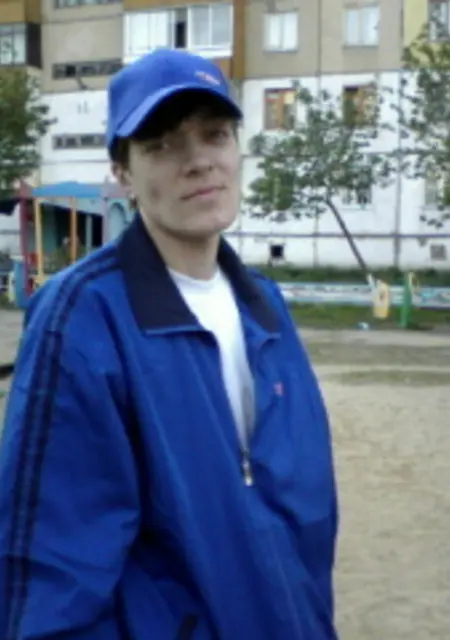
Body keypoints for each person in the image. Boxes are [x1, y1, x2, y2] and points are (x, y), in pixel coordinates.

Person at [0, 49, 339, 639]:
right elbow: (54, 571)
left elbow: (302, 517)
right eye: (162, 145)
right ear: (124, 174)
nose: (199, 161)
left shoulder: (265, 307)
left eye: (215, 135)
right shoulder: (82, 317)